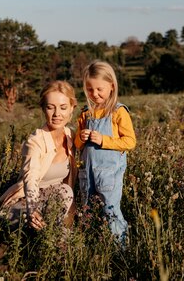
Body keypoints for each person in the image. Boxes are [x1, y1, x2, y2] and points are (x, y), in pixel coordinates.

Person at [0, 81, 78, 230]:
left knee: (66, 190)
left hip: (52, 201)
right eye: (50, 107)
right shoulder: (36, 141)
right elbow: (30, 177)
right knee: (40, 221)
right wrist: (32, 208)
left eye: (63, 107)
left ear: (72, 108)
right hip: (24, 203)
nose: (57, 114)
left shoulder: (70, 136)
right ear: (43, 109)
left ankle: (53, 237)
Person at [74, 60, 136, 244]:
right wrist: (82, 138)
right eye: (90, 89)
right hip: (88, 173)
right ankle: (94, 245)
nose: (95, 94)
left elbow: (130, 141)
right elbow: (77, 145)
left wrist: (104, 140)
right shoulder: (86, 114)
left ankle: (121, 247)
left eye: (99, 89)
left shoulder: (118, 112)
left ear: (111, 86)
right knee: (88, 209)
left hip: (109, 174)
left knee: (110, 209)